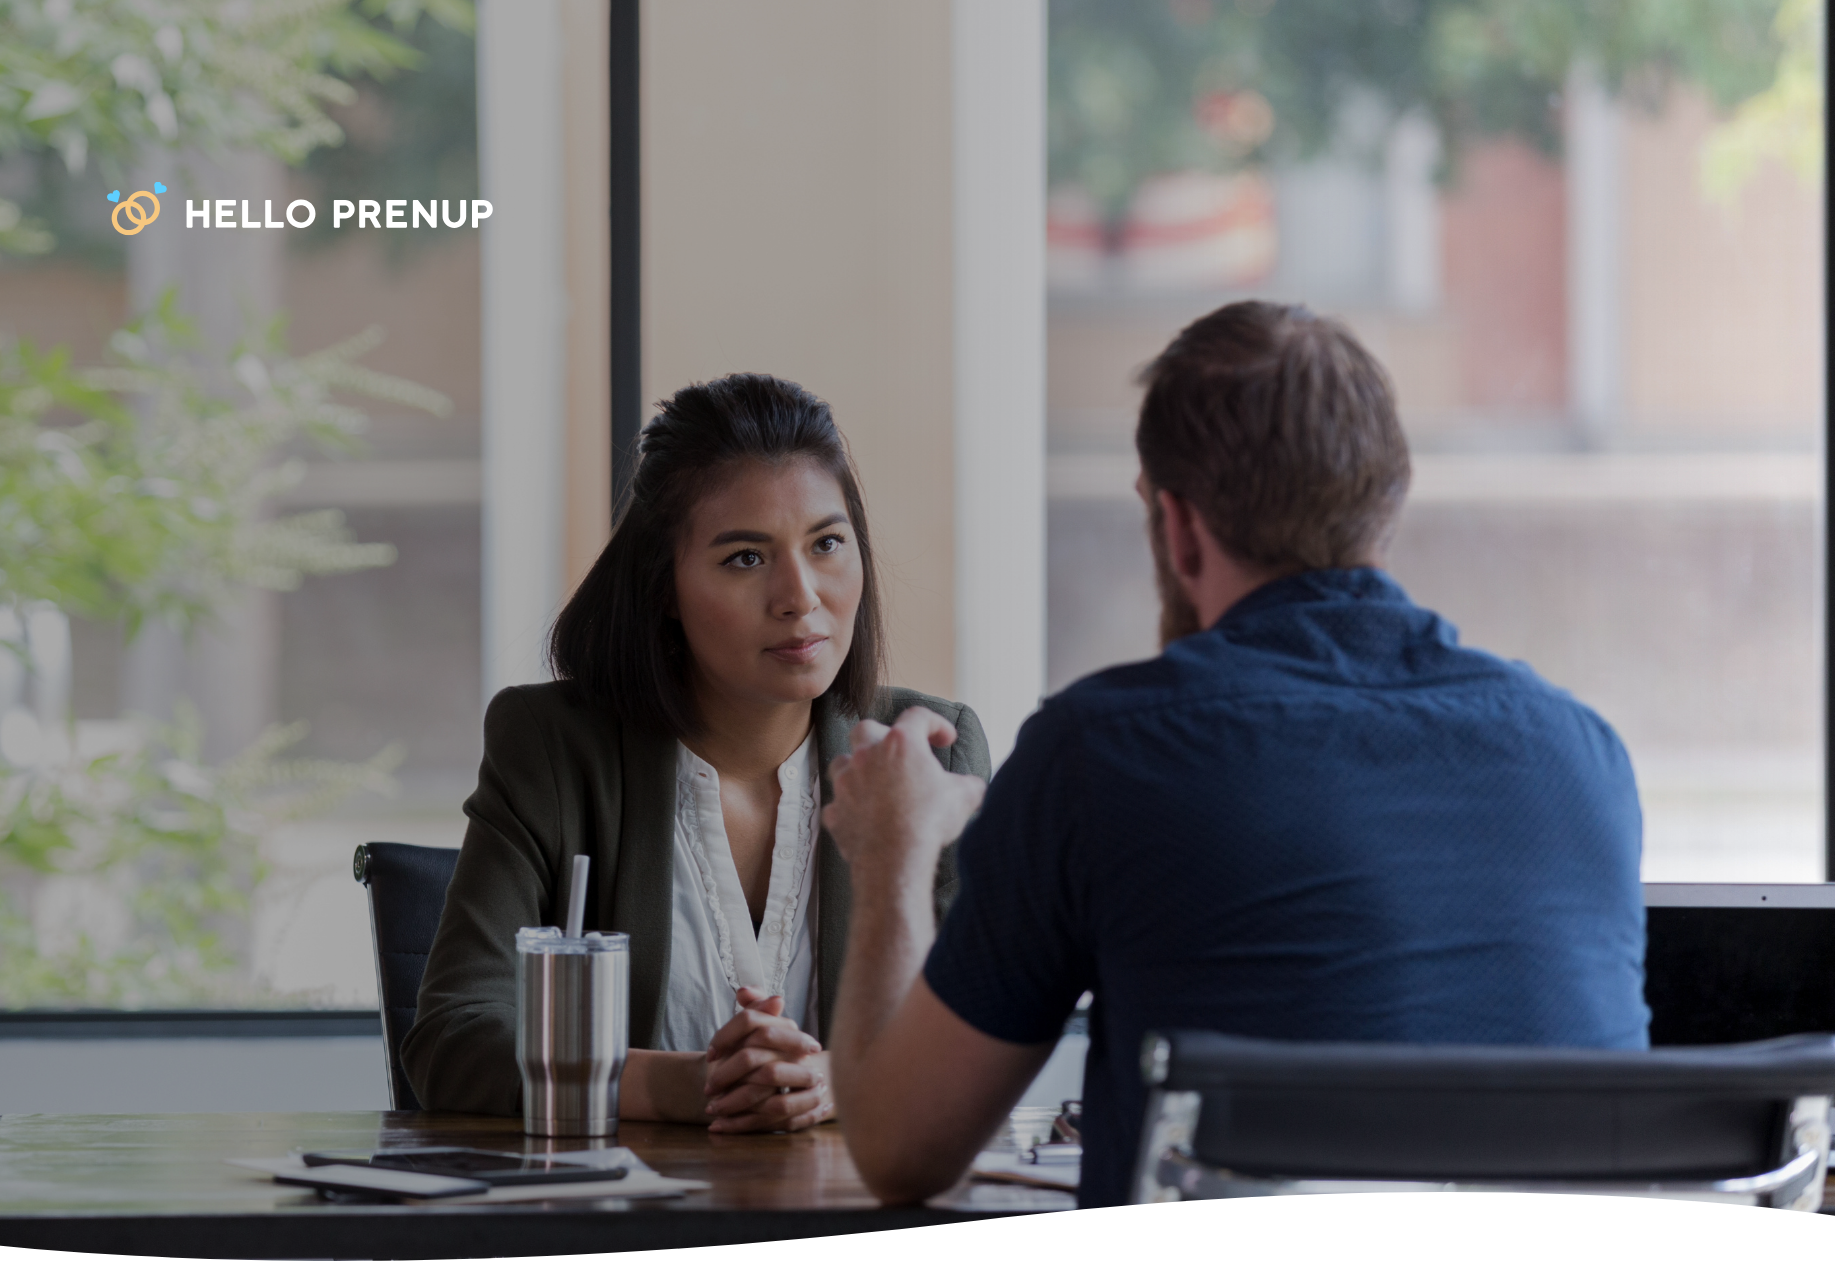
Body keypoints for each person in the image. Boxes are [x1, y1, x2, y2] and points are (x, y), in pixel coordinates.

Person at [821, 301, 1650, 1205]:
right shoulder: (1583, 760)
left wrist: (894, 848)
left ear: (1178, 527)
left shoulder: (1101, 757)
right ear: (1386, 507)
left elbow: (900, 1152)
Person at [404, 372, 989, 1133]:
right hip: (621, 1228)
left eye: (827, 544)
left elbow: (986, 1031)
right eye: (746, 558)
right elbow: (453, 1037)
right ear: (663, 587)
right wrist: (685, 1086)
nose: (800, 595)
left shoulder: (928, 750)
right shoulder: (550, 746)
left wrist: (841, 1080)